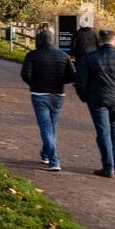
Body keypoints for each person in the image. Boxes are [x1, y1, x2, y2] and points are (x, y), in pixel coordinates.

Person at [74, 29, 115, 178]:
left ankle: (108, 167)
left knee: (103, 131)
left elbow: (80, 82)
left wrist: (85, 97)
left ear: (98, 42)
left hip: (97, 99)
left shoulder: (89, 58)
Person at [20, 29, 74, 171]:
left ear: (39, 40)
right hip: (58, 95)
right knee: (52, 126)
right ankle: (45, 154)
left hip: (39, 94)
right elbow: (73, 75)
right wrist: (61, 81)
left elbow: (25, 74)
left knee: (45, 127)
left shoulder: (32, 55)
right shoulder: (63, 56)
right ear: (52, 40)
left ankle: (54, 160)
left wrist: (33, 83)